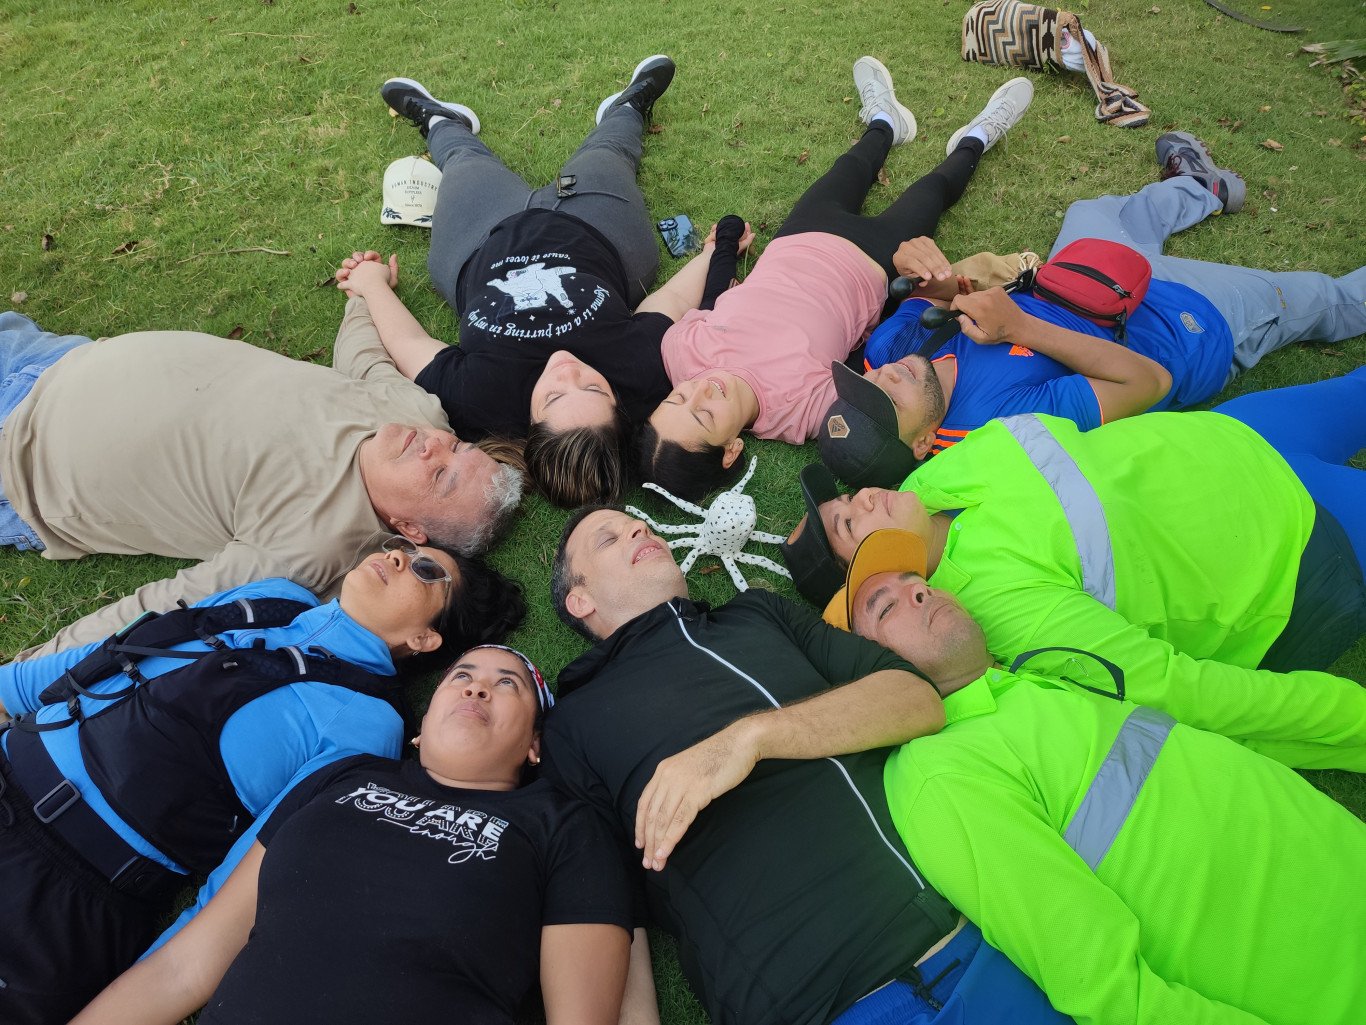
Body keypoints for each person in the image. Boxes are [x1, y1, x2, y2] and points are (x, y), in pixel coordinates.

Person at [543, 506, 1073, 1025]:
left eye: (637, 523)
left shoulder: (758, 612)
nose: (638, 528)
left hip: (978, 944)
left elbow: (915, 699)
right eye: (609, 539)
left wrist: (748, 739)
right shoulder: (575, 721)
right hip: (818, 1003)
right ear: (580, 600)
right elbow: (603, 908)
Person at [828, 527, 1366, 1025]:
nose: (919, 590)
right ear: (868, 672)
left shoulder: (1037, 677)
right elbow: (1110, 992)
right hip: (1322, 988)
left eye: (915, 579)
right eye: (886, 607)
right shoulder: (939, 774)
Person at [0, 539, 525, 1025]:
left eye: (426, 570)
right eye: (400, 548)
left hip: (58, 890)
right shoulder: (273, 598)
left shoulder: (366, 725)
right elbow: (82, 668)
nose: (396, 557)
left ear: (423, 639)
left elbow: (228, 905)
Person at [782, 368, 1366, 770]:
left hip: (1239, 432)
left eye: (847, 497)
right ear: (869, 580)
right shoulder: (1002, 612)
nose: (864, 498)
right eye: (849, 524)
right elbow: (1179, 690)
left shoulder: (928, 479)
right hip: (1299, 546)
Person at [70, 645, 633, 1025]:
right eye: (461, 676)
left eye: (507, 684)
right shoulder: (343, 776)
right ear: (419, 729)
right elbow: (184, 967)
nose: (476, 689)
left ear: (534, 745)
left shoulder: (563, 825)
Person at [818, 133, 1366, 488]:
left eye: (867, 383)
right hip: (1180, 325)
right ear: (921, 445)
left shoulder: (889, 352)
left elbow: (934, 299)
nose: (885, 375)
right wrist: (1020, 326)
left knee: (1097, 211)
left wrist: (934, 277)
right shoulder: (998, 429)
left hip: (1079, 278)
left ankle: (1203, 188)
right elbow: (1148, 383)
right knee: (1326, 300)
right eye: (889, 399)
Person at [0, 302, 525, 662]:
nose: (434, 445)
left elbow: (160, 610)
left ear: (408, 529)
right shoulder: (417, 413)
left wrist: (21, 681)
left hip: (22, 458)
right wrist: (363, 292)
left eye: (440, 476)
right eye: (459, 447)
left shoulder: (309, 548)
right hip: (53, 356)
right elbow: (364, 361)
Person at [635, 62, 1036, 501]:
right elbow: (879, 387)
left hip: (799, 235)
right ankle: (976, 139)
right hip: (875, 262)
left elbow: (710, 301)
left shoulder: (678, 352)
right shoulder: (799, 415)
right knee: (932, 191)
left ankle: (885, 121)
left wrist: (724, 250)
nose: (700, 392)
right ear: (731, 450)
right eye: (705, 416)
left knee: (853, 163)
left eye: (677, 398)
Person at [365, 57, 721, 507]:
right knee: (608, 153)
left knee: (462, 160)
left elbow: (409, 343)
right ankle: (627, 109)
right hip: (596, 229)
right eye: (594, 388)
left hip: (480, 241)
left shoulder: (481, 398)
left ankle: (442, 121)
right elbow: (671, 298)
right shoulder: (638, 371)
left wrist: (371, 284)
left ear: (529, 423)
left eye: (553, 397)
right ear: (619, 405)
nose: (567, 370)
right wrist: (713, 253)